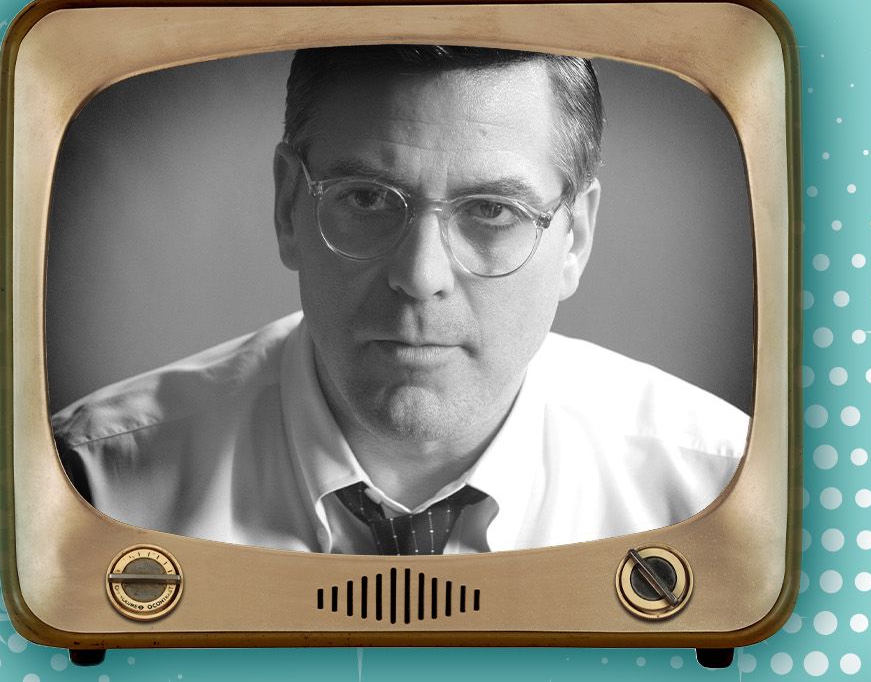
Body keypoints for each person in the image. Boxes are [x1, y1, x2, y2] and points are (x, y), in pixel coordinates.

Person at [52, 46, 748, 555]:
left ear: (576, 237)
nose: (420, 275)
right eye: (366, 199)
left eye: (493, 211)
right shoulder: (88, 486)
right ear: (290, 205)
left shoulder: (725, 494)